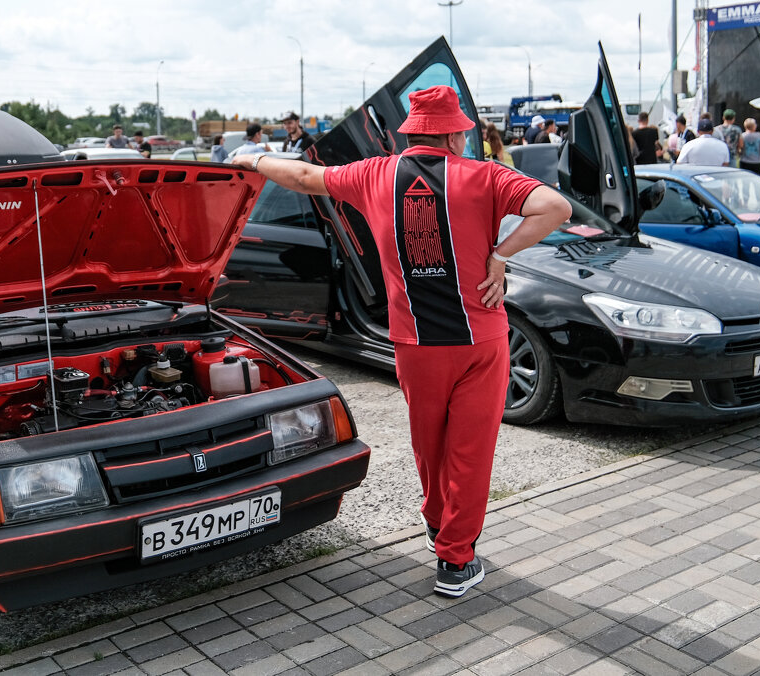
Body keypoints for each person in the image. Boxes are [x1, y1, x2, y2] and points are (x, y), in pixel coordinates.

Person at [230, 85, 571, 598]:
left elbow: (303, 175)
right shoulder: (486, 175)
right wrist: (501, 254)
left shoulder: (376, 173)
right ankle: (455, 562)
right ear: (456, 134)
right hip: (480, 339)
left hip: (414, 344)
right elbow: (555, 207)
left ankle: (438, 525)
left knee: (429, 445)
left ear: (410, 131)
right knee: (470, 452)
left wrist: (252, 157)